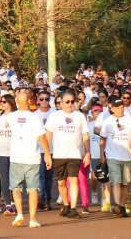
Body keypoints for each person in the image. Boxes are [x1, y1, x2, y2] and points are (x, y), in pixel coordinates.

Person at [7, 89, 52, 228]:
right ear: (29, 102)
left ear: (16, 102)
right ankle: (32, 219)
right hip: (32, 158)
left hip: (16, 158)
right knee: (32, 189)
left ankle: (20, 214)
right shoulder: (34, 117)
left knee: (16, 188)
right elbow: (41, 137)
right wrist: (47, 154)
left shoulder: (10, 117)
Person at [45, 89, 91, 219]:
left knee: (74, 180)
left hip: (75, 154)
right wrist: (47, 152)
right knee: (61, 183)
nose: (70, 104)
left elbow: (85, 135)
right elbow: (48, 134)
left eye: (72, 101)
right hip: (59, 155)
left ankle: (73, 208)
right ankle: (66, 204)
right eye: (67, 102)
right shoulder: (55, 116)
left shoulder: (79, 116)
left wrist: (87, 153)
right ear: (61, 103)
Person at [100, 96, 131, 216]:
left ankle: (121, 206)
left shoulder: (129, 120)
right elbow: (102, 139)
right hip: (112, 156)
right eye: (118, 107)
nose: (121, 109)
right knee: (116, 182)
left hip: (127, 156)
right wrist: (102, 154)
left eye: (122, 107)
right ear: (112, 108)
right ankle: (118, 205)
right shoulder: (107, 121)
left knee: (125, 183)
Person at [34, 89, 55, 210]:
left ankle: (48, 200)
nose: (44, 101)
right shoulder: (34, 115)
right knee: (40, 176)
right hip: (38, 150)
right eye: (41, 99)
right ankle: (41, 199)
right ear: (38, 100)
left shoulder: (54, 114)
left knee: (49, 177)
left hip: (52, 150)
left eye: (46, 99)